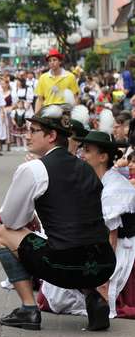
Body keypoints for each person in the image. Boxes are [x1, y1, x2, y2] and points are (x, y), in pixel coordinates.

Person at [0, 106, 115, 331]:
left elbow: (10, 220)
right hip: (104, 263)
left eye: (34, 130)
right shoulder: (86, 167)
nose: (27, 134)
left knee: (2, 235)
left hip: (63, 266)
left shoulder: (33, 168)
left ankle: (28, 310)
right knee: (79, 242)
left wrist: (29, 219)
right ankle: (94, 297)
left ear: (51, 136)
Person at [39, 129, 135, 321]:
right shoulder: (91, 178)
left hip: (121, 248)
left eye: (88, 150)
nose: (83, 154)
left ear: (102, 157)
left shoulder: (115, 187)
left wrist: (103, 275)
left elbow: (112, 237)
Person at [34, 48, 79, 112]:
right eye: (49, 61)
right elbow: (40, 99)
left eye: (54, 60)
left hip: (65, 112)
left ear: (60, 61)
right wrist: (36, 117)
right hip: (48, 112)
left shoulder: (70, 76)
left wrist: (74, 114)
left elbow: (75, 97)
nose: (52, 63)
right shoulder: (43, 78)